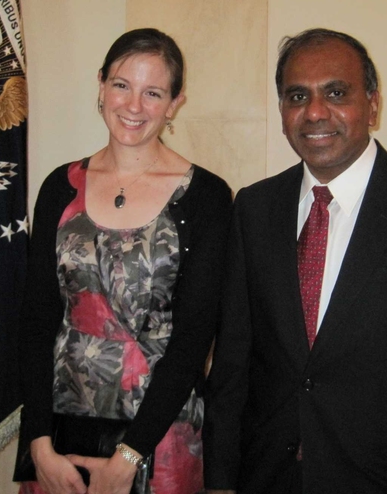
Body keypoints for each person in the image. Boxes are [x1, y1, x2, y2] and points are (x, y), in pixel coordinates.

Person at [203, 28, 387, 494]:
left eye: (336, 93)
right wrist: (220, 480)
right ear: (282, 111)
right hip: (268, 477)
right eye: (297, 96)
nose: (315, 112)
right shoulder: (254, 209)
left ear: (373, 105)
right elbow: (233, 364)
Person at [17, 28, 232, 494]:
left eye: (153, 92)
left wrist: (130, 455)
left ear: (175, 103)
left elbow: (195, 337)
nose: (133, 106)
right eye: (121, 85)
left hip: (160, 434)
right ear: (100, 84)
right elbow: (37, 318)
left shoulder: (207, 197)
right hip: (61, 433)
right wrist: (36, 441)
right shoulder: (60, 186)